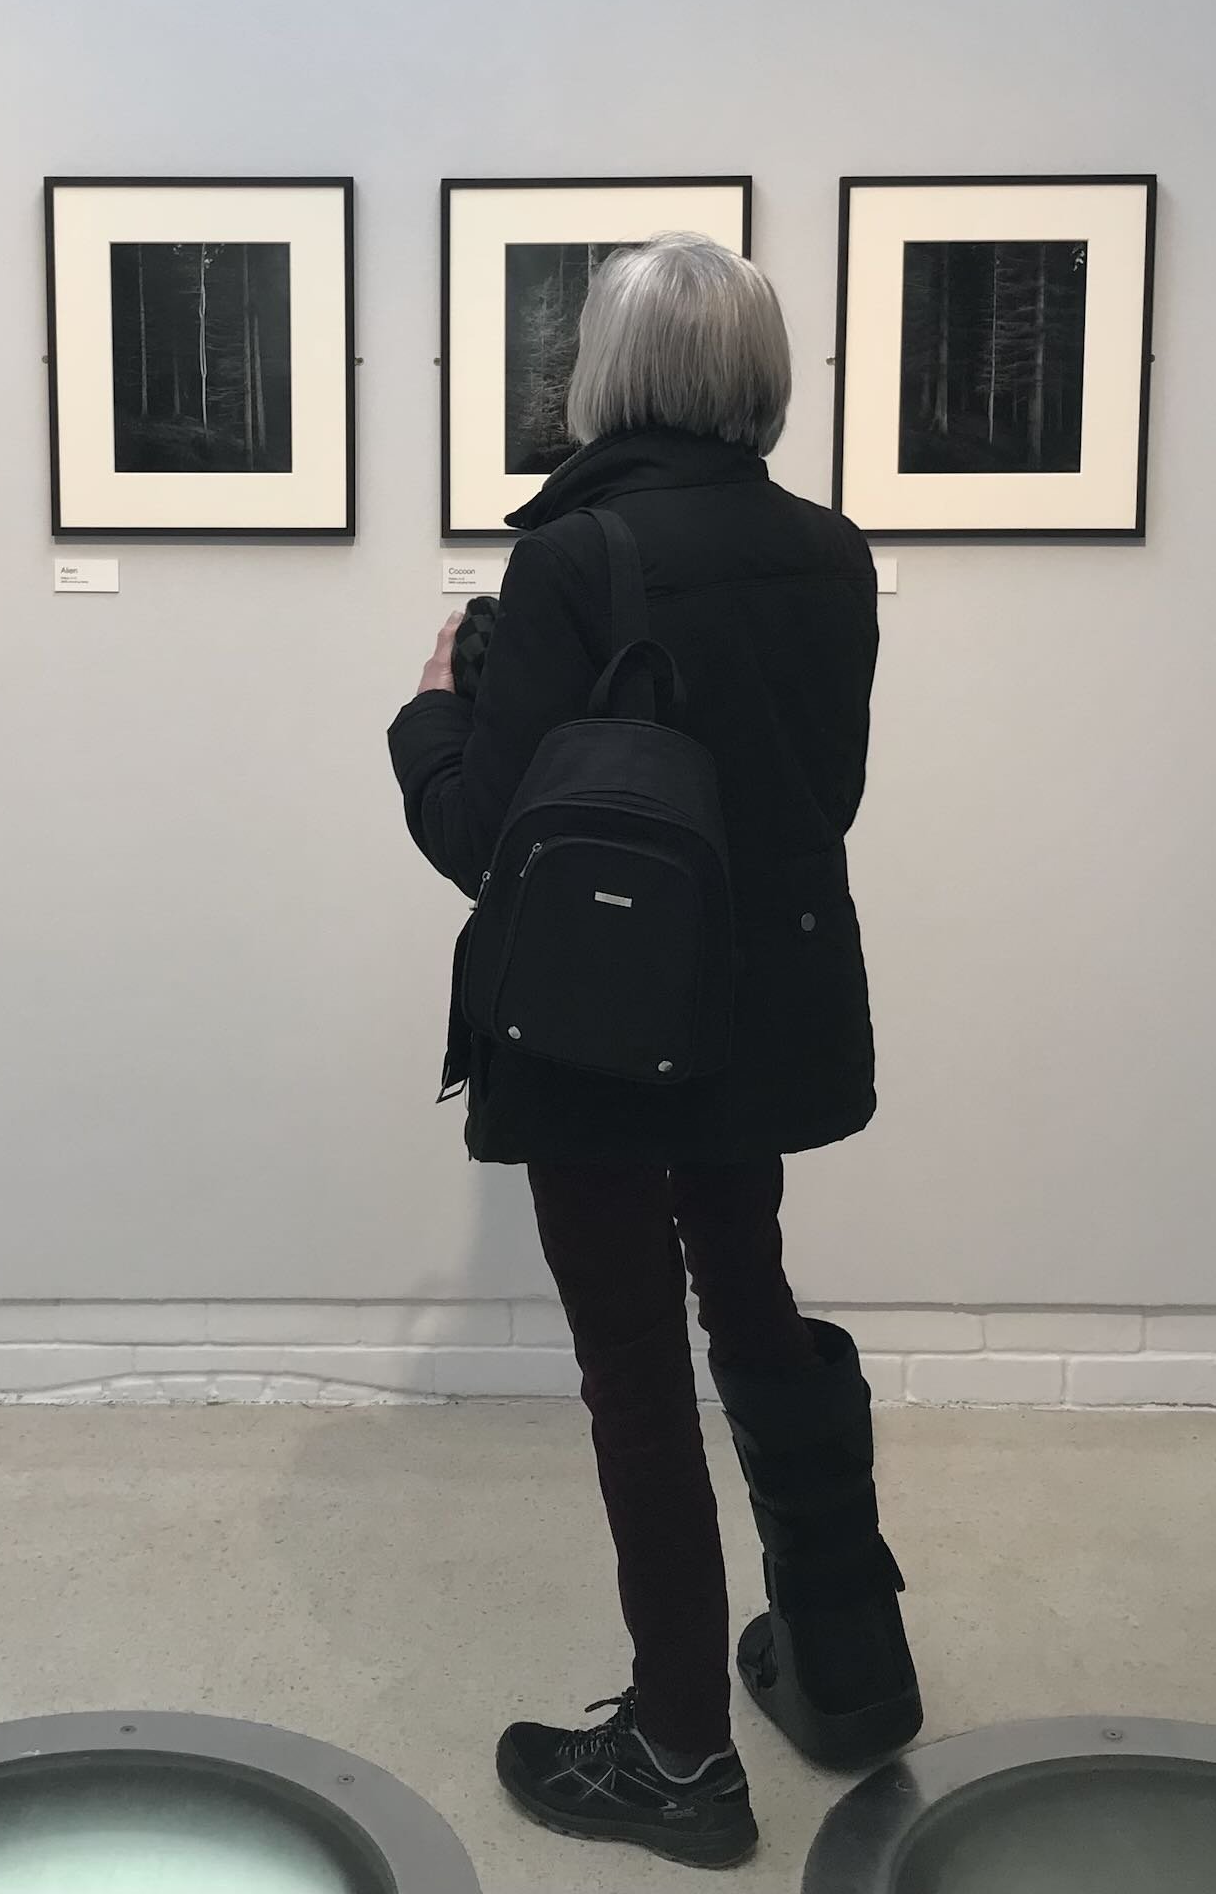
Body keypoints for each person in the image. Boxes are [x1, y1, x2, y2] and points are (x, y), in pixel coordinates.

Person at [388, 232, 920, 1871]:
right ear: (758, 374)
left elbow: (488, 840)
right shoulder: (832, 552)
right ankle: (846, 1666)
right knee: (750, 1303)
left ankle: (681, 1750)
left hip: (607, 1034)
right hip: (769, 1009)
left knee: (634, 1367)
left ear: (609, 374)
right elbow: (820, 797)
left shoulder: (575, 560)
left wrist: (431, 712)